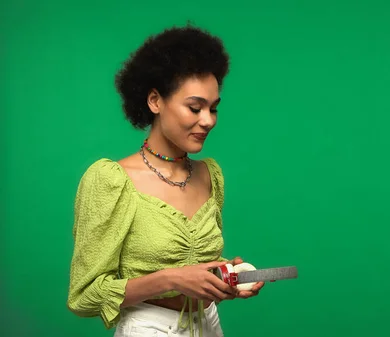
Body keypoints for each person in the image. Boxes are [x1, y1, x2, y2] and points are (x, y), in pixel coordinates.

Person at [66, 24, 263, 337]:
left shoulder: (209, 175)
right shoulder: (111, 181)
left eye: (213, 109)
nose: (208, 120)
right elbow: (84, 296)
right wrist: (172, 279)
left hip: (209, 326)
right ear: (155, 101)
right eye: (195, 107)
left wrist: (223, 274)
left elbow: (193, 265)